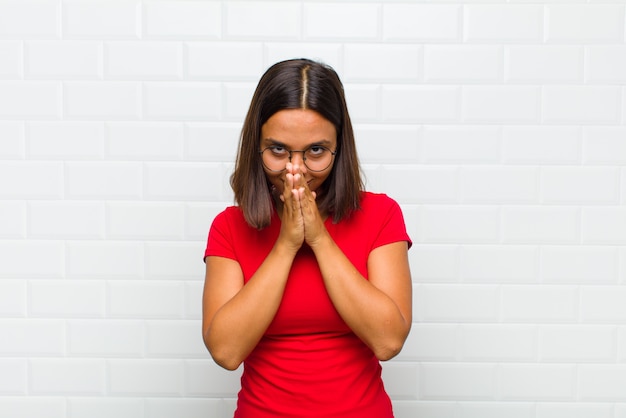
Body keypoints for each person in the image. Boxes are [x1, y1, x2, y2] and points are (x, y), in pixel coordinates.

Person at [202, 58, 412, 418]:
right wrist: (286, 245)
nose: (295, 169)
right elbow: (226, 351)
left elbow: (388, 341)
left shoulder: (381, 215)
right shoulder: (230, 226)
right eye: (279, 150)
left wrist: (319, 239)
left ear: (338, 148)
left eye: (315, 150)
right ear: (257, 147)